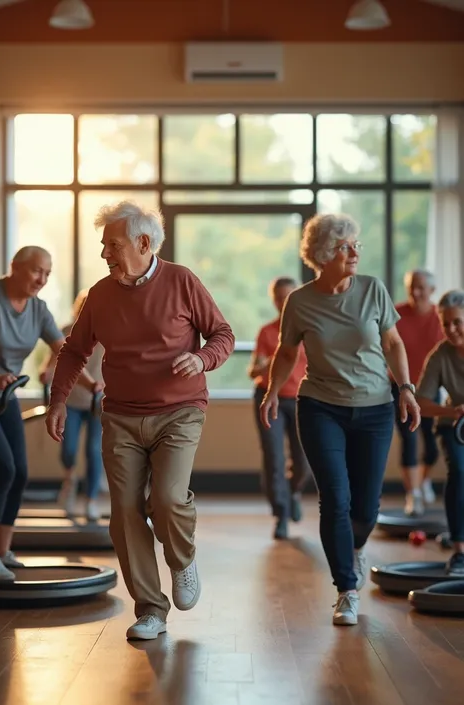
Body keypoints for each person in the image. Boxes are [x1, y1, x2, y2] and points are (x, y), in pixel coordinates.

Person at [45, 201, 235, 642]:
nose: (105, 254)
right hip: (122, 415)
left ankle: (182, 559)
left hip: (180, 411)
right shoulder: (100, 294)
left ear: (143, 243)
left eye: (112, 245)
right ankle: (151, 609)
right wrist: (57, 402)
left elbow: (222, 334)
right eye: (104, 245)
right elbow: (74, 350)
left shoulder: (182, 281)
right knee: (125, 514)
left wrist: (202, 358)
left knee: (167, 499)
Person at [260, 214, 420, 627]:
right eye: (347, 246)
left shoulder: (372, 290)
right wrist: (273, 391)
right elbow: (287, 352)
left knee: (366, 506)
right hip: (321, 407)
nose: (355, 252)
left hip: (375, 409)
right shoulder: (300, 302)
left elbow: (393, 342)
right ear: (325, 254)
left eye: (356, 245)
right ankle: (346, 590)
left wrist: (406, 389)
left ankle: (355, 546)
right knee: (335, 498)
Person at [0, 246, 97, 581]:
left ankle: (3, 553)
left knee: (20, 472)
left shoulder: (38, 309)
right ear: (15, 268)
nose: (42, 279)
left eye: (48, 273)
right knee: (2, 468)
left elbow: (65, 351)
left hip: (4, 397)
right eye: (37, 271)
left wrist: (92, 385)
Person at [248, 276, 310, 540]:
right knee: (274, 459)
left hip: (302, 400)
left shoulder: (311, 330)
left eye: (289, 296)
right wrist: (274, 358)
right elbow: (254, 370)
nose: (284, 302)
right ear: (274, 301)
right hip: (269, 397)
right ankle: (281, 515)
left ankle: (294, 491)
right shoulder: (267, 332)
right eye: (279, 298)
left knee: (304, 462)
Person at [42, 289, 105, 521]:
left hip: (98, 402)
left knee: (93, 452)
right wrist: (45, 374)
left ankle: (90, 499)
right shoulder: (67, 331)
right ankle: (69, 480)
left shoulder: (109, 332)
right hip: (72, 402)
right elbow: (52, 361)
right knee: (68, 450)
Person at [416, 289, 464, 576]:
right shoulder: (440, 355)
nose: (452, 329)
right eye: (446, 324)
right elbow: (422, 402)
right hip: (454, 426)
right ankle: (459, 549)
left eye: (457, 322)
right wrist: (453, 411)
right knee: (459, 472)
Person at [393, 269, 444, 516]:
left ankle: (422, 482)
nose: (416, 292)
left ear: (432, 290)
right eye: (412, 286)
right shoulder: (397, 314)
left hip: (429, 388)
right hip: (400, 387)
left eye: (422, 287)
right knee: (410, 440)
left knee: (433, 447)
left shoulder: (440, 318)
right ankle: (412, 495)